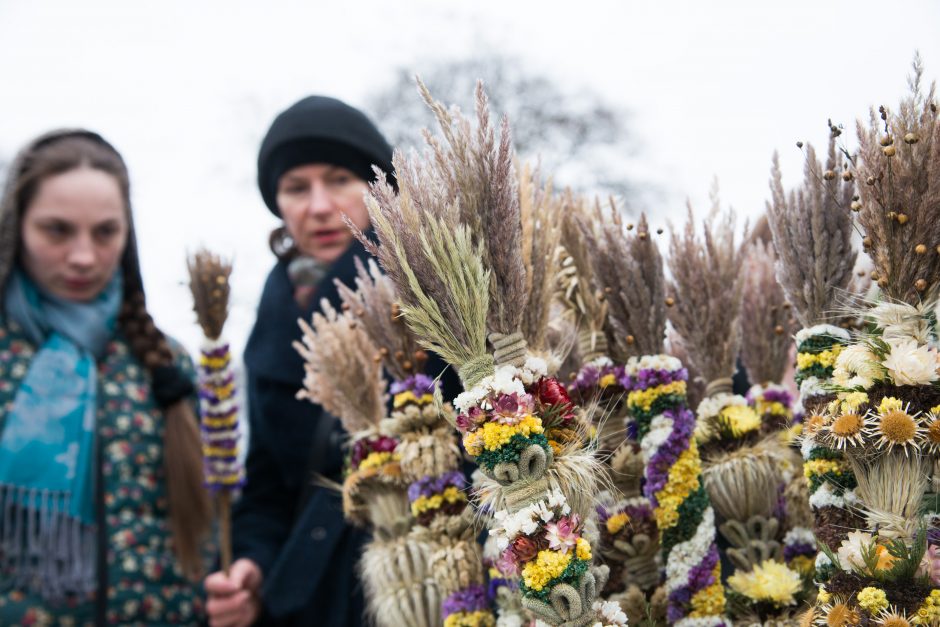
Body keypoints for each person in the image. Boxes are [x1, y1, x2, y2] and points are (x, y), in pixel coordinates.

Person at [0, 129, 212, 624]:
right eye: (57, 230)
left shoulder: (165, 363)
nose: (83, 256)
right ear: (16, 227)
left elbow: (211, 527)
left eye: (105, 232)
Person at [204, 96, 398, 627]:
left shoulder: (427, 299)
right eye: (296, 187)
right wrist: (252, 564)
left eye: (339, 179)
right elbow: (267, 485)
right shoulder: (272, 315)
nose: (318, 205)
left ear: (377, 187)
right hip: (303, 602)